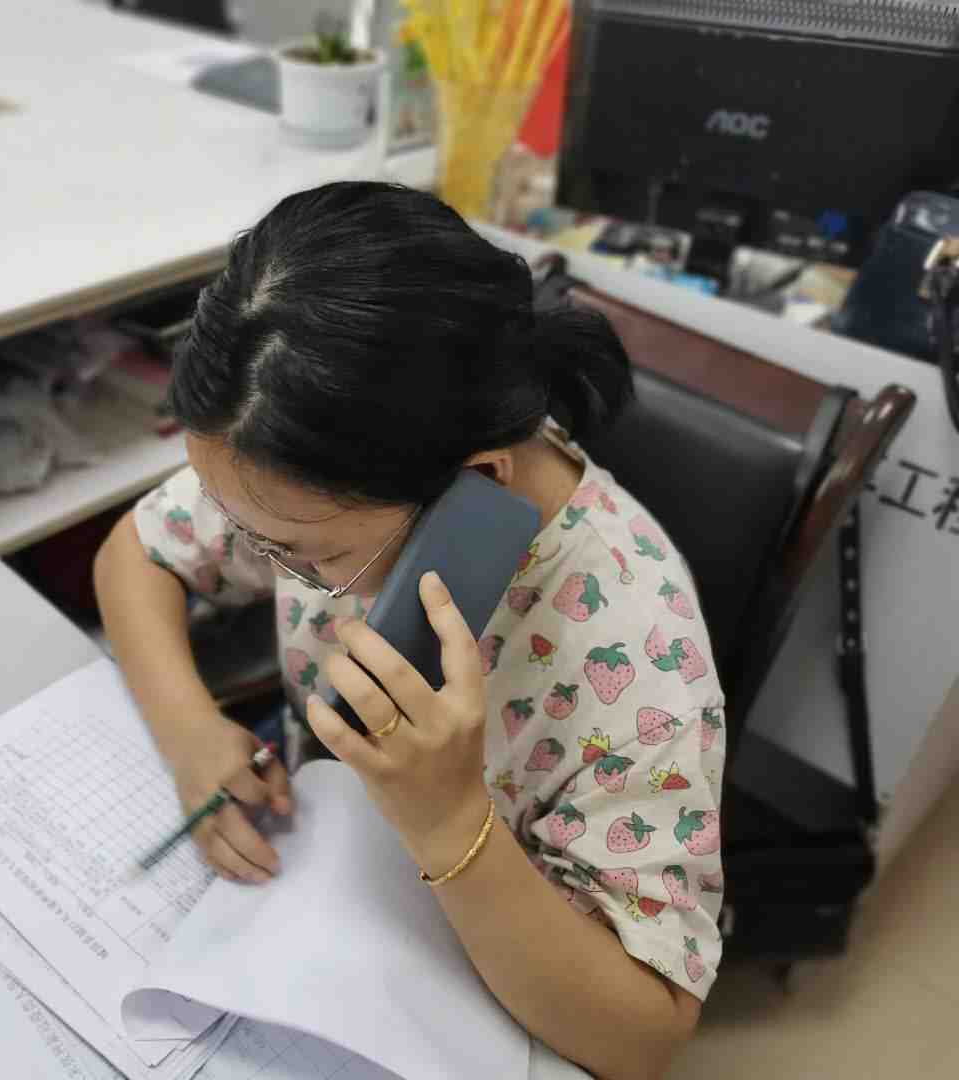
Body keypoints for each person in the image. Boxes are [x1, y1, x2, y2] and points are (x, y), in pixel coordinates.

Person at [94, 182, 723, 1080]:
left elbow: (644, 1039)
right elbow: (135, 553)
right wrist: (190, 729)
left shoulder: (641, 656)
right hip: (328, 883)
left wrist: (450, 817)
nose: (266, 560)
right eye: (247, 536)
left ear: (478, 485)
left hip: (493, 988)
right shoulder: (289, 464)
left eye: (304, 554)